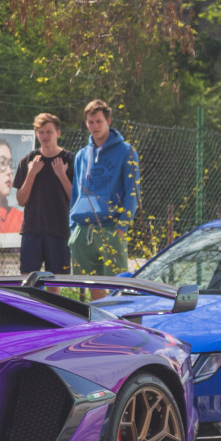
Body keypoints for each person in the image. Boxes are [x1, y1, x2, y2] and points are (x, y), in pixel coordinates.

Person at [70, 99, 140, 298]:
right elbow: (76, 192)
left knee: (117, 288)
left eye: (99, 121)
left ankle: (118, 327)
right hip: (83, 228)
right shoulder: (81, 155)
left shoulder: (126, 151)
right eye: (90, 122)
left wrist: (122, 226)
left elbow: (132, 192)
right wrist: (72, 227)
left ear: (108, 120)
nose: (94, 126)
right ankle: (98, 327)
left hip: (111, 227)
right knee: (92, 286)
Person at [13, 113, 74, 279]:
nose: (45, 136)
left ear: (58, 133)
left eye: (49, 132)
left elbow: (74, 198)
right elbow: (21, 200)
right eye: (41, 132)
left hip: (59, 230)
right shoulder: (28, 160)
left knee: (55, 283)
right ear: (36, 134)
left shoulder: (69, 159)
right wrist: (31, 174)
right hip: (32, 230)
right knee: (28, 281)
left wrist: (62, 175)